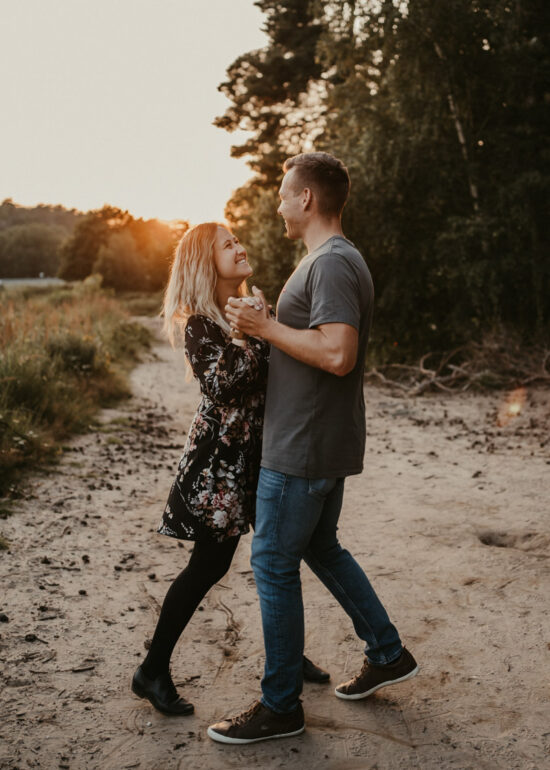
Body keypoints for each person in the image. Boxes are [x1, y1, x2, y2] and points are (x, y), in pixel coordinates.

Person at [208, 153, 418, 744]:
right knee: (321, 547)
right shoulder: (328, 263)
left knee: (273, 562)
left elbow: (337, 354)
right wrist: (269, 319)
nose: (277, 204)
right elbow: (318, 341)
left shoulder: (331, 264)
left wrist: (264, 329)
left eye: (282, 193)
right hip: (316, 439)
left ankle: (281, 706)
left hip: (302, 447)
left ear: (306, 199)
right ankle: (387, 651)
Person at [131, 222, 329, 717]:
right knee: (209, 566)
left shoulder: (253, 306)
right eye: (227, 244)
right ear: (205, 262)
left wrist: (264, 325)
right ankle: (152, 670)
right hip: (219, 465)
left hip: (266, 456)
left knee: (281, 556)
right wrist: (252, 332)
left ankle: (286, 658)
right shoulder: (201, 321)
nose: (240, 247)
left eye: (239, 239)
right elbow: (222, 385)